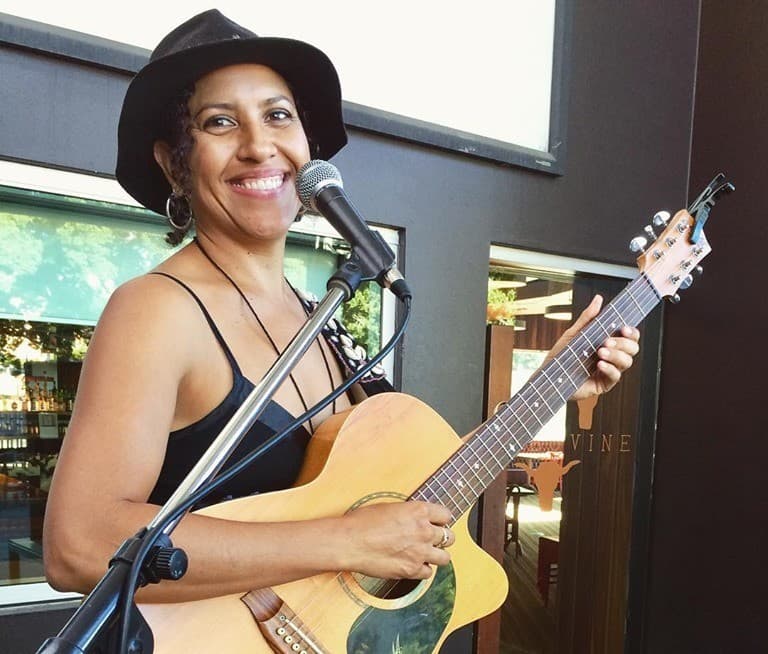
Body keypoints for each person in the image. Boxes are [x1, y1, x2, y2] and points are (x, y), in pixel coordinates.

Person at [42, 9, 640, 603]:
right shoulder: (157, 310)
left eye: (278, 115)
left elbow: (409, 503)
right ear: (173, 162)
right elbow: (78, 545)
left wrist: (551, 385)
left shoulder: (320, 315)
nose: (259, 146)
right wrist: (346, 541)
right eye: (220, 122)